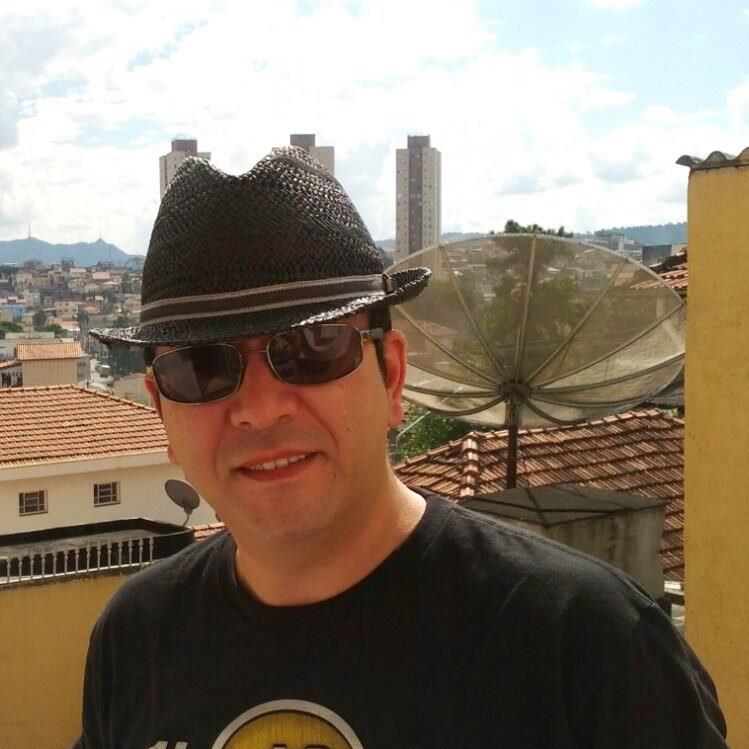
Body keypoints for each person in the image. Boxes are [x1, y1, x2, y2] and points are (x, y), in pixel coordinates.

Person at [76, 147, 729, 749]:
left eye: (311, 348)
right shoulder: (136, 640)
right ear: (162, 408)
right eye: (200, 368)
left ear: (390, 375)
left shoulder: (584, 644)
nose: (260, 408)